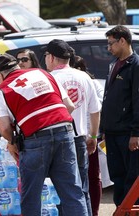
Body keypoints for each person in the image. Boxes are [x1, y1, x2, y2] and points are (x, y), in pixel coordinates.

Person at [0, 53, 88, 215]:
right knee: (72, 191)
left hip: (35, 138)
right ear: (17, 66)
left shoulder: (2, 90)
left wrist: (13, 141)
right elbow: (69, 106)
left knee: (31, 196)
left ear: (0, 75)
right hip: (64, 131)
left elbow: (4, 129)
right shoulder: (43, 73)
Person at [45, 39, 101, 216]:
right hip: (81, 138)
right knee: (81, 188)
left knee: (61, 189)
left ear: (52, 57)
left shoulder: (50, 79)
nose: (45, 59)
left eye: (46, 55)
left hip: (58, 139)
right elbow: (95, 110)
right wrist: (93, 136)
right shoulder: (84, 76)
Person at [100, 25, 139, 207]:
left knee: (131, 179)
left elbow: (137, 101)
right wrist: (104, 128)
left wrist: (136, 133)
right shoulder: (114, 64)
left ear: (122, 40)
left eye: (111, 44)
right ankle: (120, 209)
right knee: (117, 177)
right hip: (112, 132)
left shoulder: (135, 66)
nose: (109, 48)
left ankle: (130, 210)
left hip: (128, 134)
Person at [71, 55, 103, 216]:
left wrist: (94, 135)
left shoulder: (92, 83)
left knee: (91, 176)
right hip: (70, 136)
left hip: (89, 136)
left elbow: (97, 108)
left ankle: (93, 211)